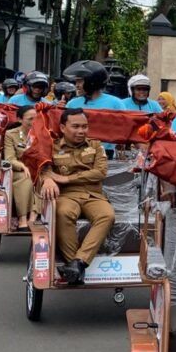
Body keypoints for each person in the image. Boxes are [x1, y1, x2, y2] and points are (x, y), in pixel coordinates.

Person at [39, 108, 114, 285]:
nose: (81, 131)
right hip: (67, 195)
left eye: (85, 127)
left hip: (93, 194)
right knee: (63, 213)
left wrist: (67, 178)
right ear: (63, 127)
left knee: (107, 215)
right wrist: (47, 180)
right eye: (76, 127)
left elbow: (100, 172)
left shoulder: (96, 146)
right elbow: (43, 169)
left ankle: (78, 263)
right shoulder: (52, 146)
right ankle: (73, 264)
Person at [64, 60, 125, 159]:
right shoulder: (72, 103)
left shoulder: (115, 103)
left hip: (105, 156)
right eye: (76, 81)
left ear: (91, 82)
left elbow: (124, 129)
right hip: (76, 154)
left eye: (80, 81)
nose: (76, 85)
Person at [4, 105, 36, 228]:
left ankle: (33, 217)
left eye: (36, 119)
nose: (34, 122)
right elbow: (9, 158)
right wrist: (22, 166)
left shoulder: (43, 132)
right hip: (19, 169)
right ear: (20, 119)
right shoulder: (11, 134)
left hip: (38, 168)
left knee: (43, 181)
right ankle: (22, 217)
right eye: (30, 119)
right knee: (26, 179)